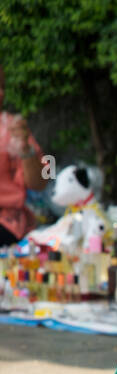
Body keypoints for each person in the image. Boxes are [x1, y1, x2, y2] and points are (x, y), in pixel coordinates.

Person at [0, 64, 43, 246]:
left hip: (6, 222)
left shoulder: (12, 129)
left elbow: (41, 181)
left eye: (2, 87)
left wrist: (25, 151)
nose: (0, 93)